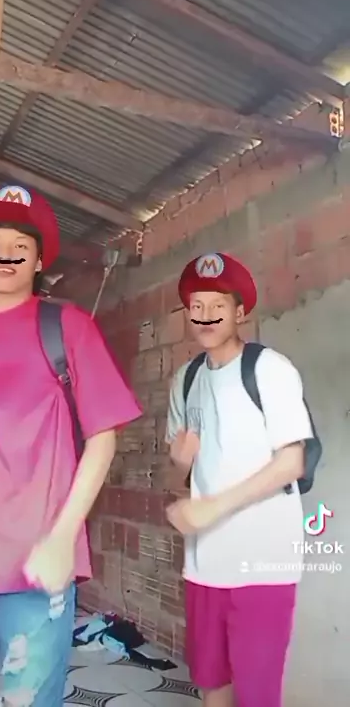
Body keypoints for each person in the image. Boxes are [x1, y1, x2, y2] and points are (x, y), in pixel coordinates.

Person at [0, 184, 141, 707]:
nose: (5, 254)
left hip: (38, 564)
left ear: (38, 261)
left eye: (20, 245)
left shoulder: (68, 328)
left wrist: (63, 538)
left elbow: (103, 438)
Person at [165, 252, 312, 707]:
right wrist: (179, 461)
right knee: (212, 683)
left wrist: (213, 507)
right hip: (204, 564)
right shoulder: (186, 379)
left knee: (256, 693)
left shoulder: (270, 369)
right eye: (197, 306)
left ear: (240, 312)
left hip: (262, 563)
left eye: (218, 305)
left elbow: (292, 462)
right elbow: (180, 470)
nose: (206, 315)